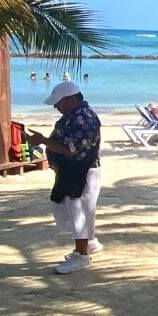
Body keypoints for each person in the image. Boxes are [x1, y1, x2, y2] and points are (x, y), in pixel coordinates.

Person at [26, 82, 102, 274]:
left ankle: (81, 255)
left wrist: (43, 141)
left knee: (77, 212)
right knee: (80, 211)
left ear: (71, 99)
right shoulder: (73, 116)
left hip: (81, 172)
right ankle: (89, 243)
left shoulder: (84, 119)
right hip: (72, 171)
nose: (55, 106)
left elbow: (71, 151)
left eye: (58, 103)